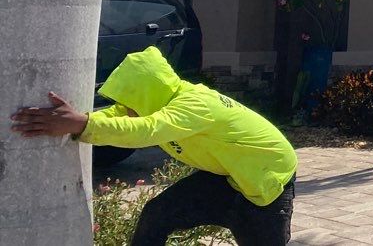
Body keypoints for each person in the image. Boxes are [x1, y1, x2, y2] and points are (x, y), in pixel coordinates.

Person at [11, 46, 297, 245]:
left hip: (267, 179)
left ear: (149, 94)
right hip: (229, 176)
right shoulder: (158, 100)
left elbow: (147, 129)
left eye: (130, 103)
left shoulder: (195, 104)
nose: (125, 110)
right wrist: (80, 120)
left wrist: (81, 124)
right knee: (157, 214)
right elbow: (119, 116)